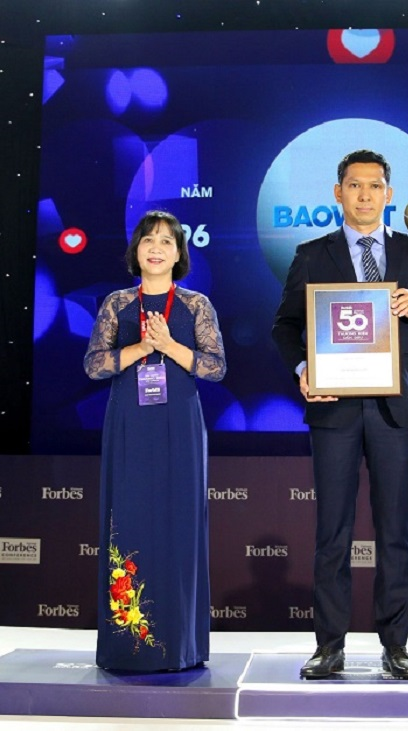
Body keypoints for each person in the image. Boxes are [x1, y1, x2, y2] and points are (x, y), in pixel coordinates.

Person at [272, 149, 408, 680]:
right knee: (331, 532)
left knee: (395, 530)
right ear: (338, 193)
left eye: (374, 185)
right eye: (354, 185)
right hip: (333, 407)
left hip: (396, 408)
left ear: (388, 194)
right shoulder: (312, 254)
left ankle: (396, 645)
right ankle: (329, 645)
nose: (364, 194)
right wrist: (303, 368)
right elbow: (285, 326)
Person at [84, 210, 226, 671]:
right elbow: (94, 365)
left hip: (179, 423)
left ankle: (181, 646)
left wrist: (167, 346)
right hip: (130, 421)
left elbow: (215, 367)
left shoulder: (196, 305)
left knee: (179, 524)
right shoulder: (117, 304)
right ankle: (129, 645)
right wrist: (142, 347)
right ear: (137, 250)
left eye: (167, 241)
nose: (157, 248)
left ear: (179, 252)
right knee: (128, 519)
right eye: (149, 240)